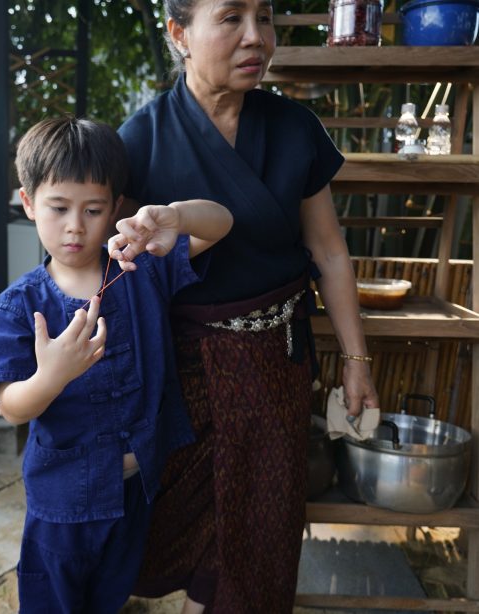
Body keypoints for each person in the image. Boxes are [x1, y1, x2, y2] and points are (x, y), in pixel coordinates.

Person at [116, 0, 380, 611]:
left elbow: (329, 252)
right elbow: (110, 266)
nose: (256, 37)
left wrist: (356, 357)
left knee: (262, 539)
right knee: (168, 530)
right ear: (179, 33)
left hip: (276, 367)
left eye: (265, 18)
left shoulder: (295, 128)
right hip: (181, 376)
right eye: (231, 18)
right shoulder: (139, 139)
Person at [0, 116, 233, 612]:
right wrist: (51, 375)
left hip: (135, 488)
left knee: (110, 596)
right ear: (28, 203)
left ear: (117, 208)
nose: (75, 225)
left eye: (93, 209)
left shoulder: (141, 269)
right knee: (55, 601)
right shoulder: (17, 307)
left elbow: (222, 223)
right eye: (58, 208)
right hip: (63, 502)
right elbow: (10, 407)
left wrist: (175, 217)